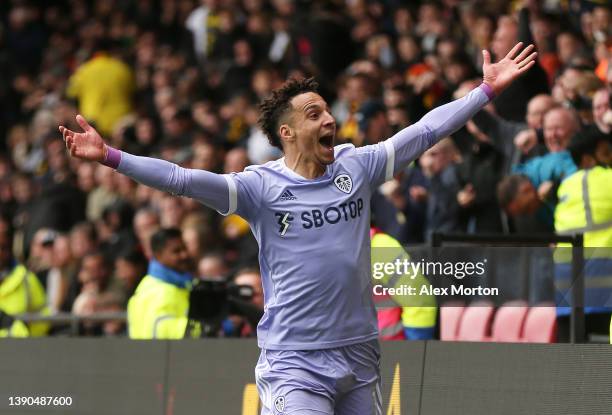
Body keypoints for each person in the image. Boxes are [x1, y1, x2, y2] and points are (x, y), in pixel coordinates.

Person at [60, 42, 536, 414]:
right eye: (314, 114)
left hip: (360, 354)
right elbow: (182, 179)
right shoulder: (258, 187)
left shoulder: (359, 167)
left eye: (328, 111)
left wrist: (485, 91)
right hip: (295, 361)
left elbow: (426, 131)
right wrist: (111, 157)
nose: (329, 119)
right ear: (286, 133)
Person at [126, 228, 197, 339]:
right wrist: (210, 327)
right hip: (161, 355)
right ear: (158, 255)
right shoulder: (160, 290)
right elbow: (163, 330)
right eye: (176, 251)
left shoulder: (175, 284)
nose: (184, 255)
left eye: (185, 248)